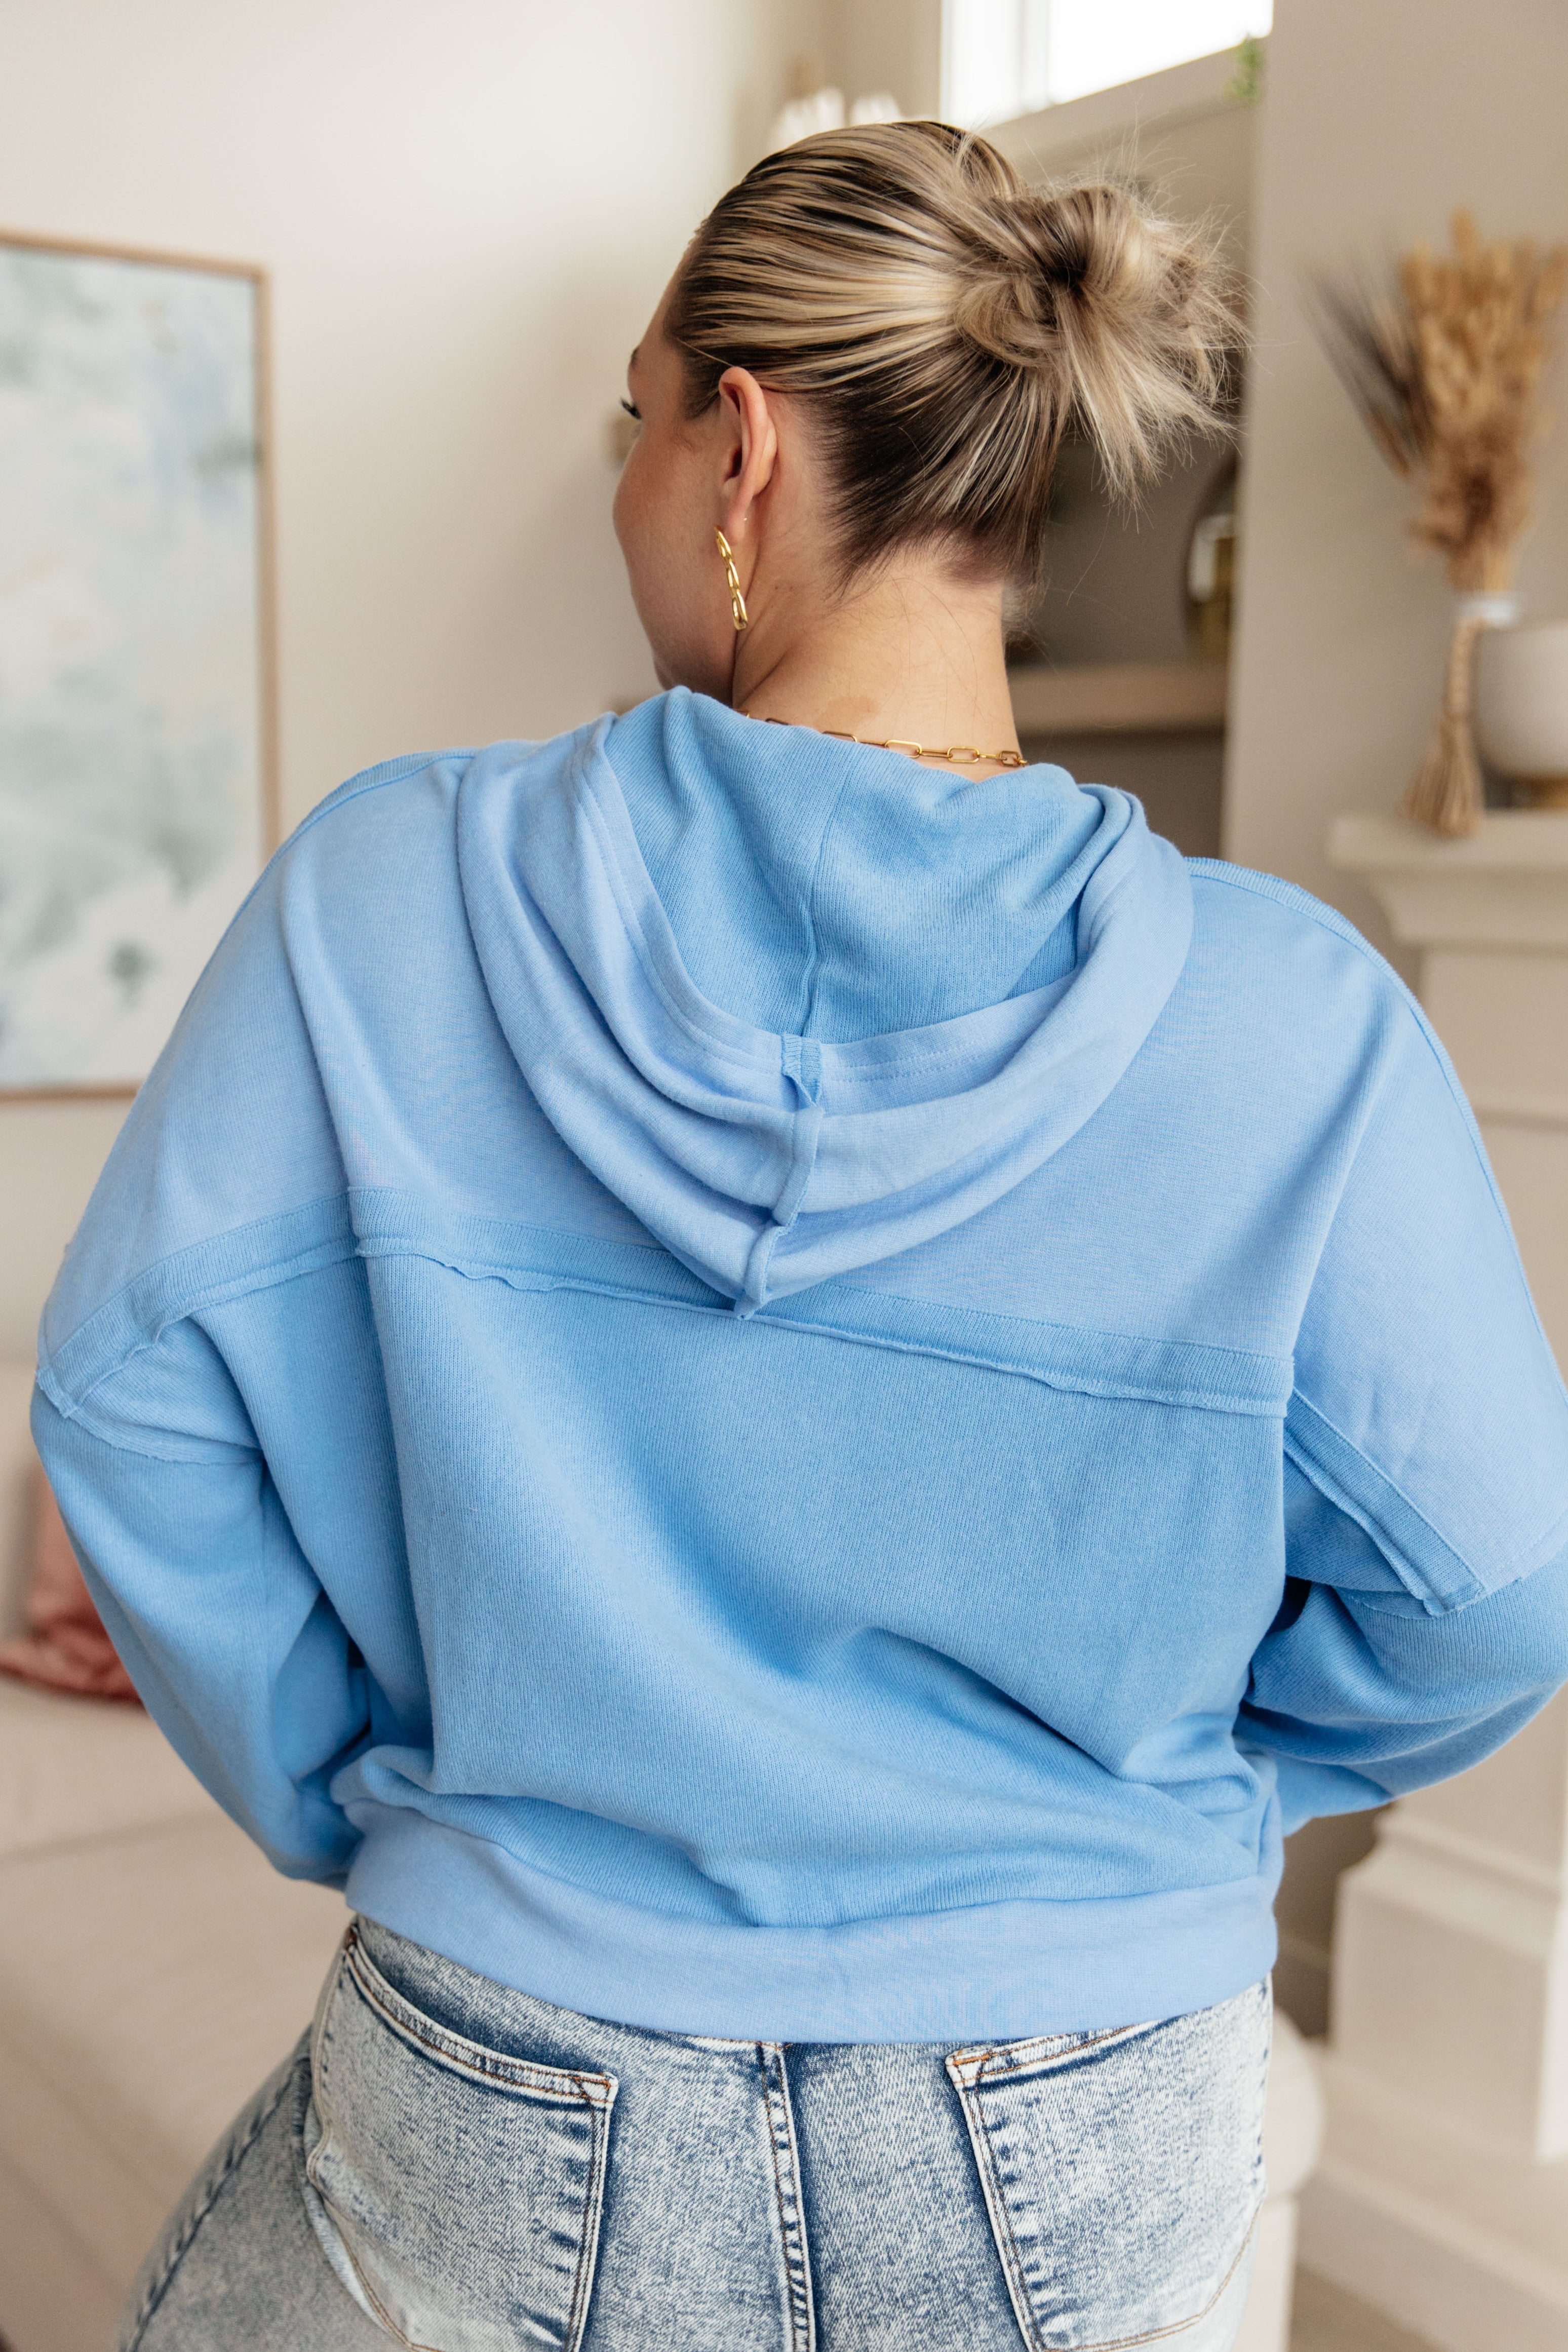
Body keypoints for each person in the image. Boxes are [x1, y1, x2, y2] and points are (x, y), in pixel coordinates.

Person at [36, 123, 1568, 2352]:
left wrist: (364, 1786)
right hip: (1099, 2102)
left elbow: (125, 1397)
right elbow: (1495, 1591)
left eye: (634, 426)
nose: (626, 490)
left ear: (739, 451)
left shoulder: (378, 894)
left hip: (512, 2055)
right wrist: (1180, 1805)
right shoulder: (1302, 1019)